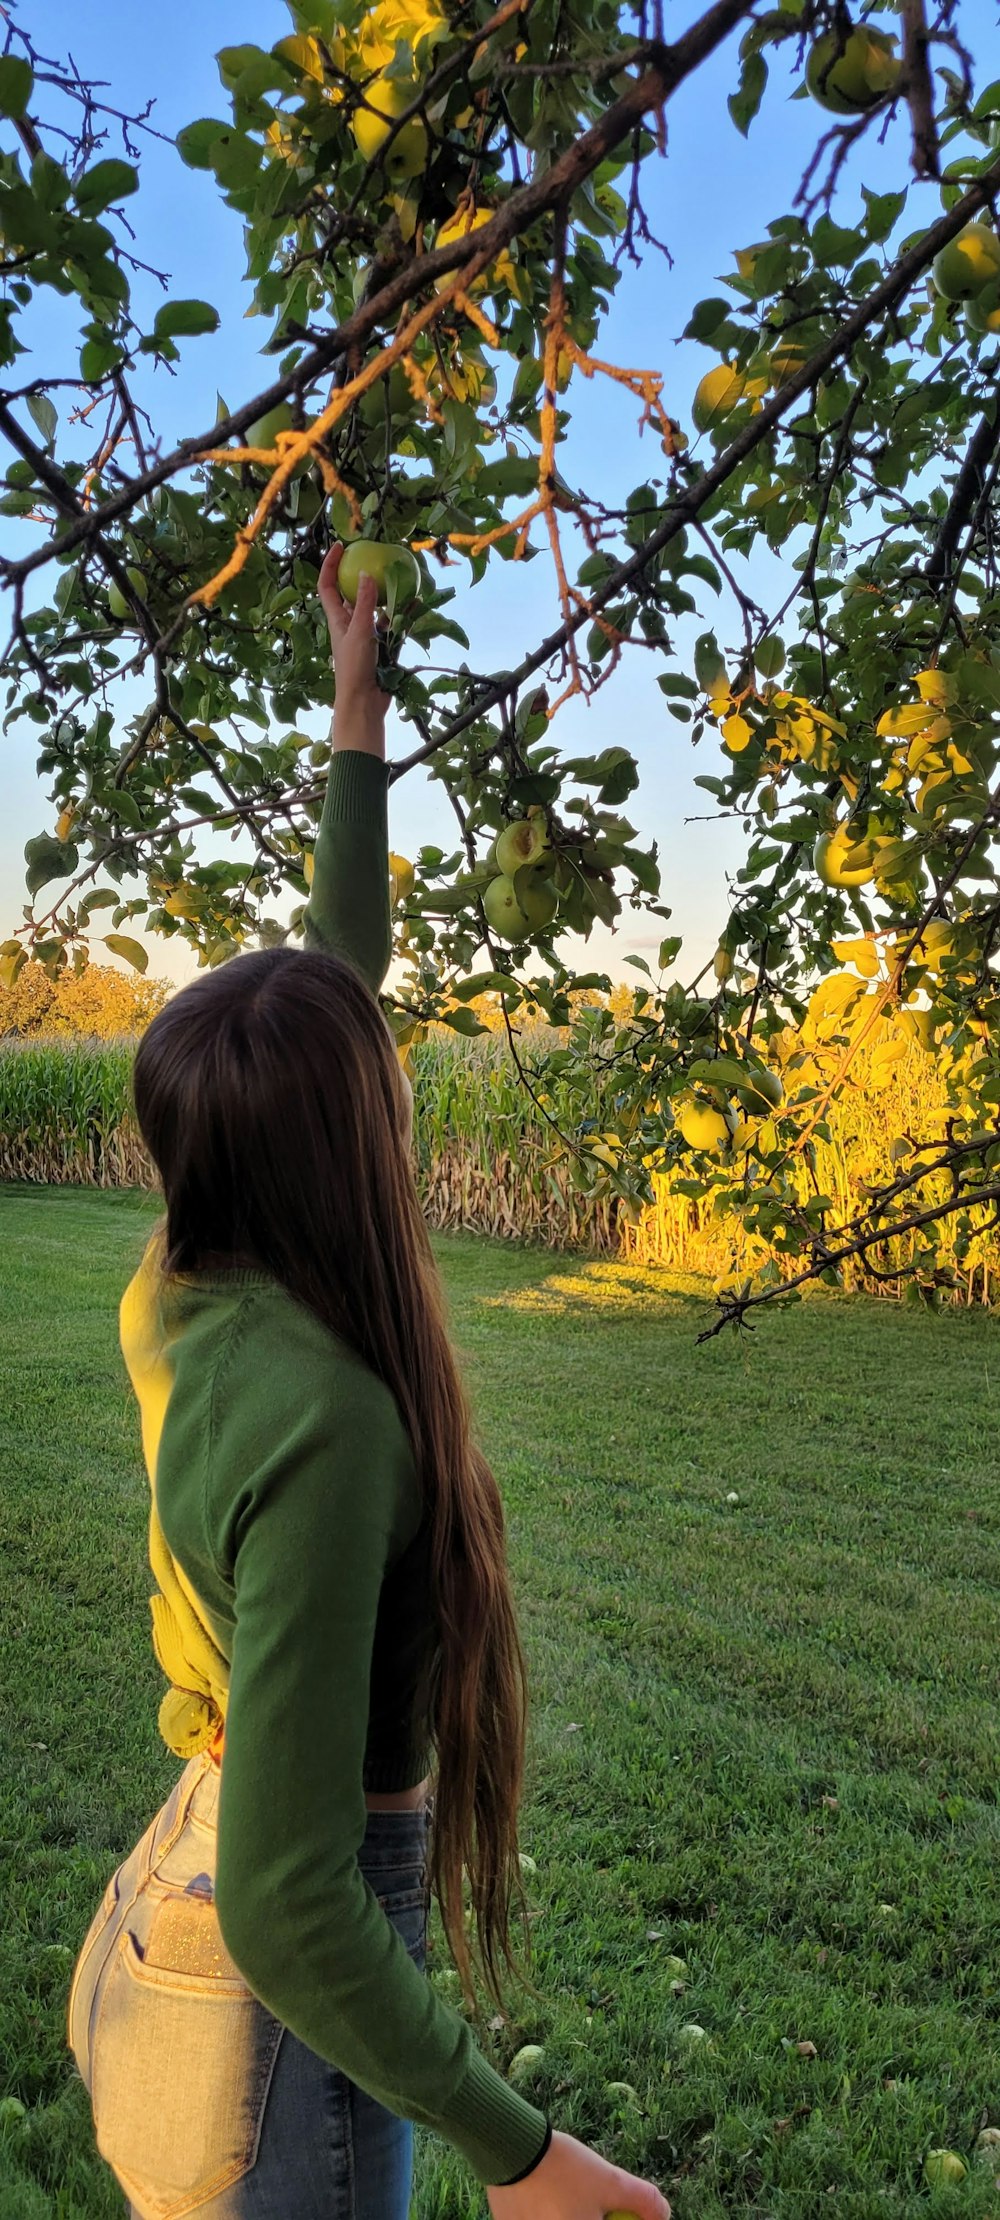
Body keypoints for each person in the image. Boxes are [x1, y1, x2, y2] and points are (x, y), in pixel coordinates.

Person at [65, 544, 671, 2220]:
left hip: (188, 1852)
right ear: (359, 1144)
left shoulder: (179, 1286)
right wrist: (531, 2161)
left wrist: (357, 713)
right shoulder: (333, 1420)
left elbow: (330, 975)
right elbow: (292, 1903)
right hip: (280, 1973)